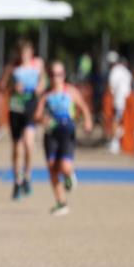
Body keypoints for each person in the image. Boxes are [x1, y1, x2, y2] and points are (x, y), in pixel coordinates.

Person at [34, 61, 93, 216]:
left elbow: (84, 108)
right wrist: (43, 120)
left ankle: (69, 176)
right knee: (52, 167)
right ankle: (61, 203)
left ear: (64, 75)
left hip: (67, 131)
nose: (56, 78)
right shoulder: (46, 96)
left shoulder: (71, 92)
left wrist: (88, 121)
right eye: (53, 75)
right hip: (51, 134)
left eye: (59, 74)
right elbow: (37, 116)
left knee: (65, 166)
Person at [0, 39, 46, 200]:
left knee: (29, 145)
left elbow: (44, 82)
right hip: (16, 108)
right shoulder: (12, 67)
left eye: (27, 52)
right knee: (17, 148)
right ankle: (17, 182)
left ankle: (27, 175)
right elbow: (2, 85)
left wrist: (40, 88)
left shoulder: (38, 64)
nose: (24, 55)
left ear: (31, 52)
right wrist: (13, 87)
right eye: (21, 52)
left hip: (30, 106)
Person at [107, 51, 133, 154]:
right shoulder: (125, 71)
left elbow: (111, 88)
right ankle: (125, 142)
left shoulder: (114, 72)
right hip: (128, 100)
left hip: (119, 100)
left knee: (116, 121)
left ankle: (115, 143)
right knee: (126, 122)